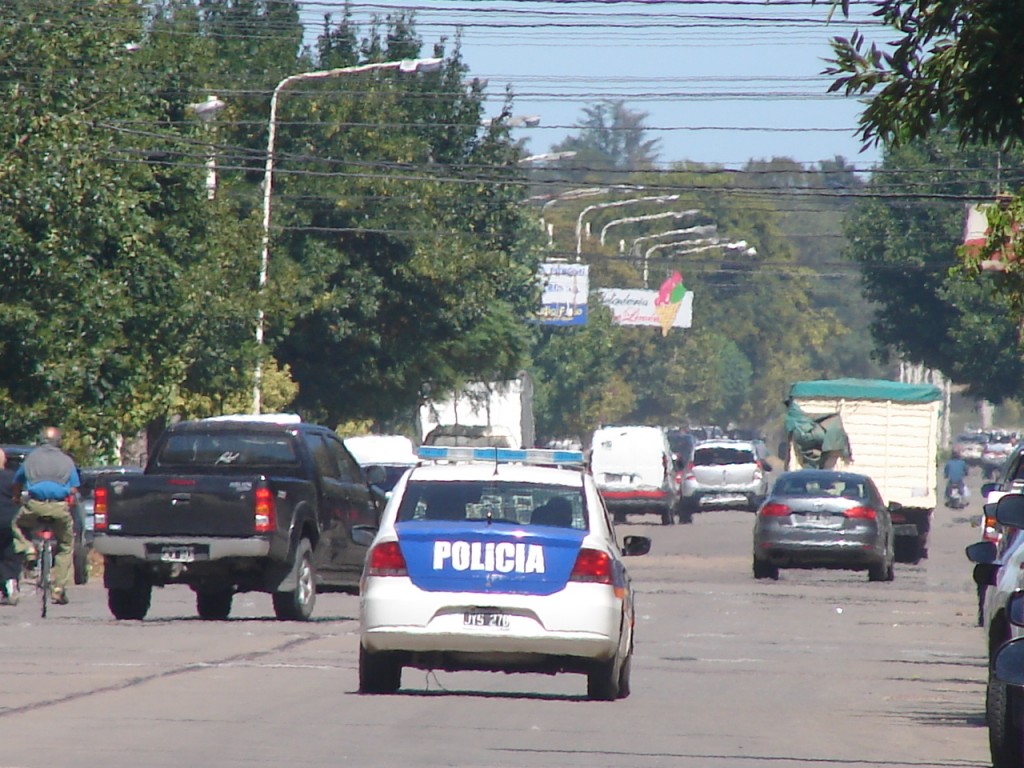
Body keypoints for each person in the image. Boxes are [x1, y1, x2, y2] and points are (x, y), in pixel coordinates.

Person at [10, 427, 80, 605]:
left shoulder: (31, 459)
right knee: (65, 545)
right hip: (58, 507)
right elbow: (73, 489)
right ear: (59, 441)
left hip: (35, 505)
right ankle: (58, 588)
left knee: (16, 524)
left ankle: (28, 549)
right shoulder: (67, 461)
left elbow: (17, 482)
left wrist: (17, 498)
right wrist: (69, 501)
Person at [0, 448, 23, 605]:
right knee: (10, 553)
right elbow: (19, 497)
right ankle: (11, 583)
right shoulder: (12, 477)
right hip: (8, 521)